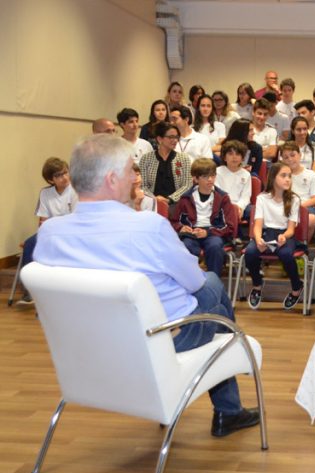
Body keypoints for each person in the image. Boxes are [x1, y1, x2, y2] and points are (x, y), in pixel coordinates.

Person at [33, 134, 260, 437]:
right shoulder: (148, 227)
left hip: (87, 352)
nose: (135, 178)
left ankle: (228, 400)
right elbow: (193, 281)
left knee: (210, 291)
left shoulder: (49, 235)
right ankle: (231, 391)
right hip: (159, 343)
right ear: (112, 179)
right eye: (131, 170)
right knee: (211, 286)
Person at [243, 162, 304, 311]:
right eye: (283, 176)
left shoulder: (294, 199)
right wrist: (258, 239)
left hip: (284, 234)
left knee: (286, 254)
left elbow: (291, 229)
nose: (288, 179)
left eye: (289, 176)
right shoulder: (262, 198)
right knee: (250, 252)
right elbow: (257, 225)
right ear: (273, 178)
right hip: (266, 233)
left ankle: (297, 287)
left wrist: (284, 237)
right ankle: (257, 285)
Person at [18, 157, 78, 305]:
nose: (65, 177)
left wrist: (54, 224)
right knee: (30, 243)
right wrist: (45, 232)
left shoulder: (75, 190)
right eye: (59, 175)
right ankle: (28, 290)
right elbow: (43, 221)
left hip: (70, 232)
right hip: (50, 232)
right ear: (51, 180)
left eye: (66, 172)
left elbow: (75, 219)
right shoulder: (45, 193)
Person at [171, 158, 238, 277]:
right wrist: (181, 228)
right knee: (185, 246)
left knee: (215, 246)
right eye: (205, 177)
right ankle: (190, 281)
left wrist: (208, 232)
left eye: (213, 176)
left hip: (214, 233)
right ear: (196, 179)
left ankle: (214, 280)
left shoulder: (223, 198)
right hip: (192, 234)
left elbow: (230, 226)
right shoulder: (185, 198)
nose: (210, 179)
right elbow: (174, 221)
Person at [138, 122, 193, 208]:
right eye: (171, 137)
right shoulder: (146, 159)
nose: (175, 140)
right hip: (151, 204)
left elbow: (187, 185)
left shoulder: (183, 159)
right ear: (160, 139)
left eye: (176, 137)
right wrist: (155, 199)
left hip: (176, 204)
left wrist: (170, 199)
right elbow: (142, 185)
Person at [280, 141, 315, 241]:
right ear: (282, 160)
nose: (290, 159)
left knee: (311, 219)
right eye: (286, 157)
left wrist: (299, 206)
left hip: (305, 206)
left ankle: (304, 243)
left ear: (300, 155)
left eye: (292, 155)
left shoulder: (311, 174)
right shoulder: (280, 175)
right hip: (286, 205)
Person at [215, 140, 252, 224]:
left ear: (242, 158)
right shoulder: (217, 172)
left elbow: (246, 196)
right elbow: (217, 194)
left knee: (252, 210)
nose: (234, 157)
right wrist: (230, 207)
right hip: (222, 205)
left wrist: (239, 207)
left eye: (238, 154)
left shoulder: (246, 174)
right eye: (230, 154)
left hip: (239, 206)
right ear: (224, 157)